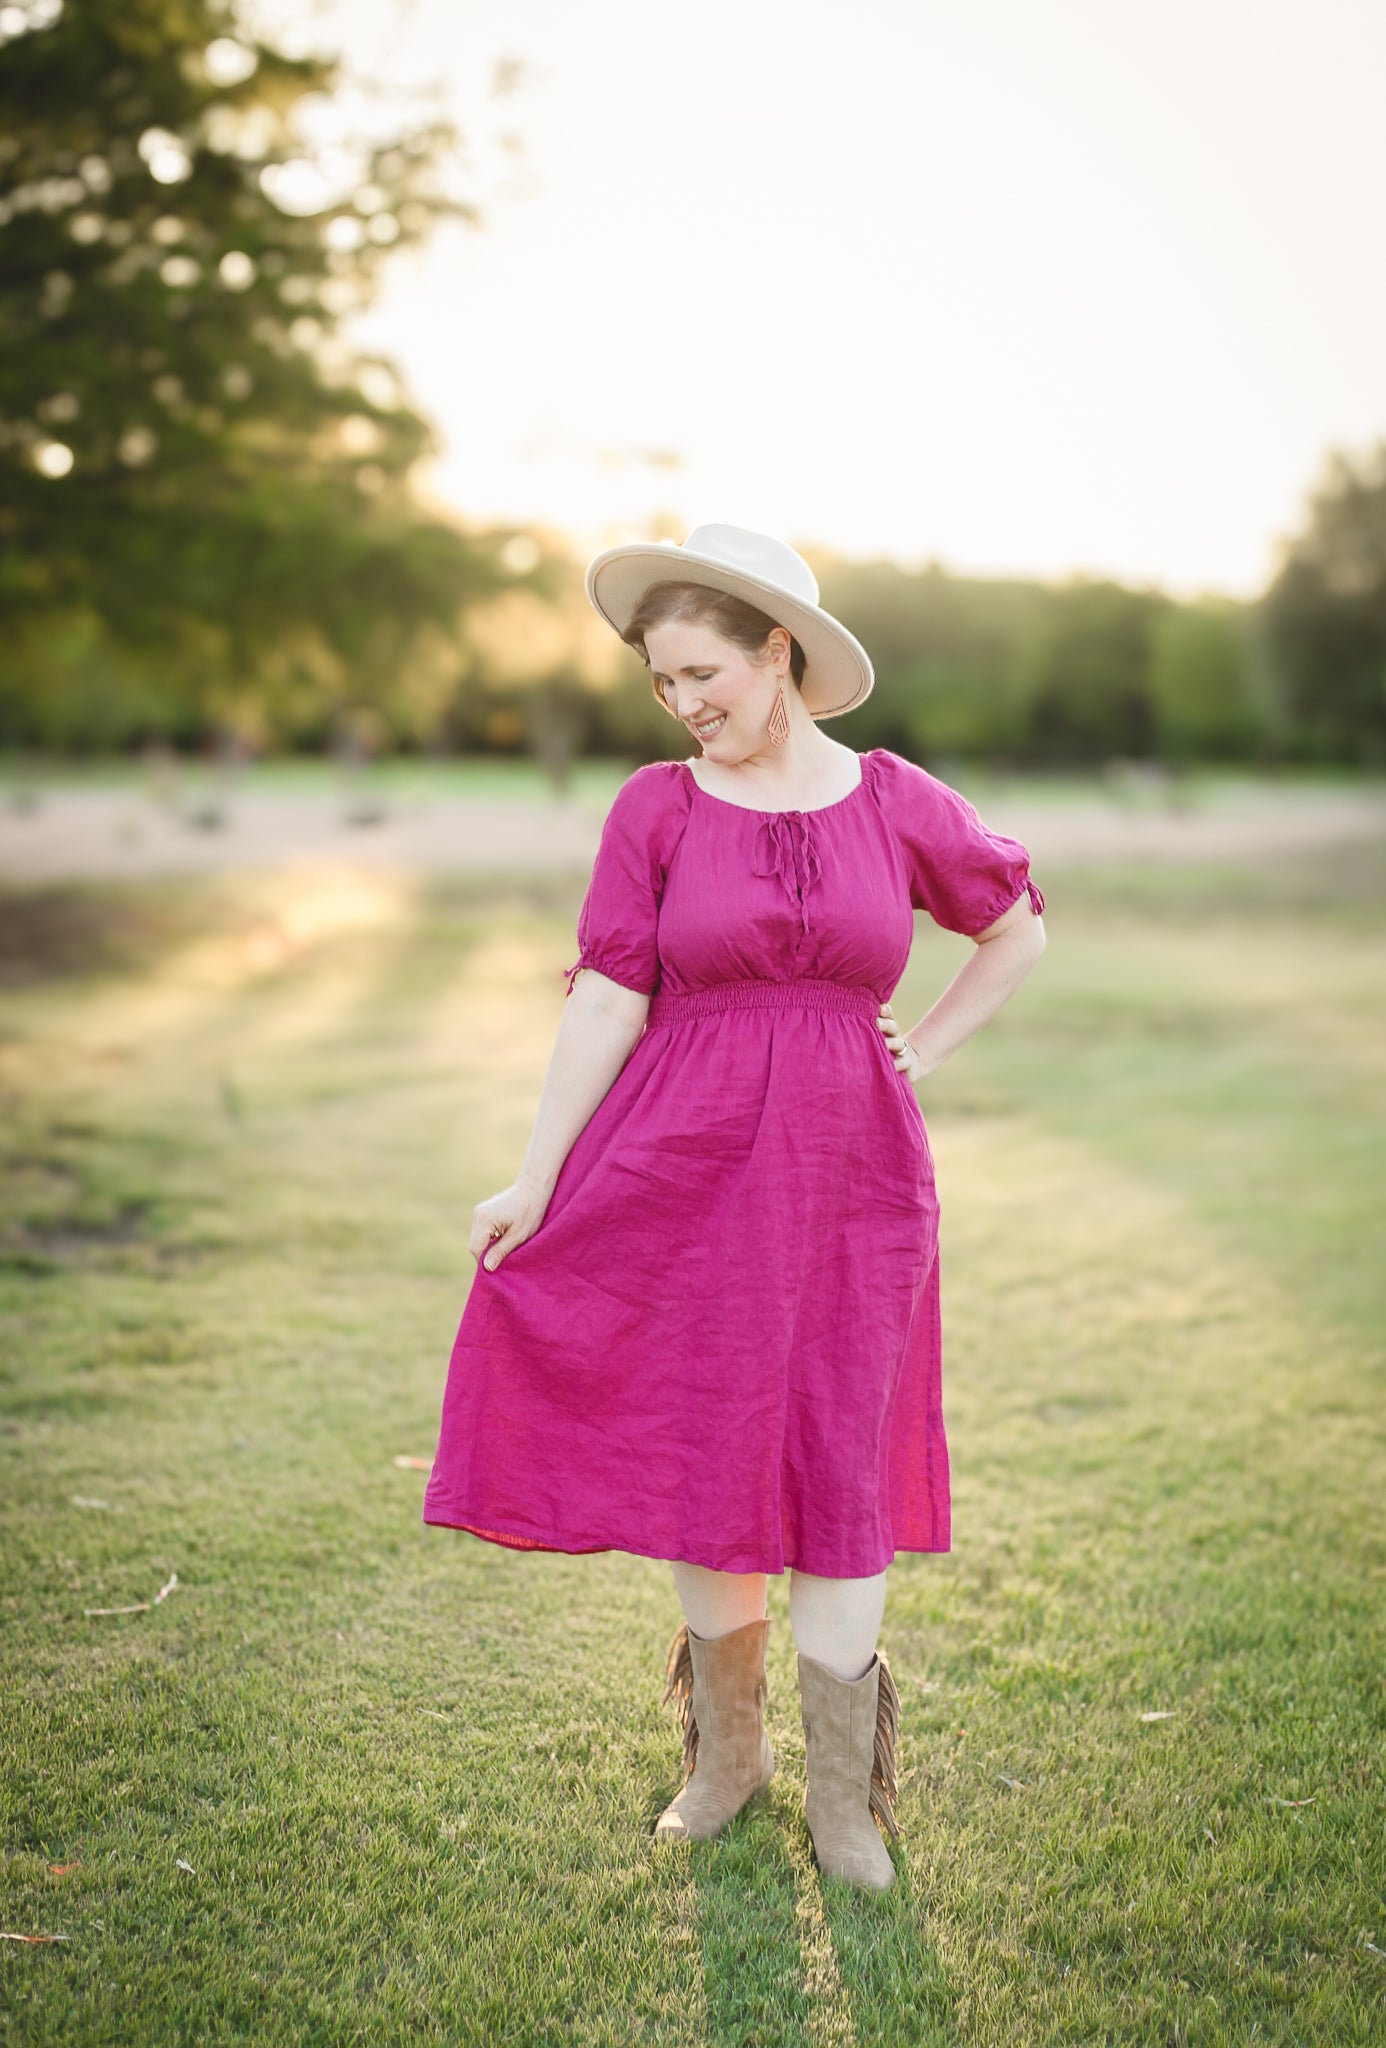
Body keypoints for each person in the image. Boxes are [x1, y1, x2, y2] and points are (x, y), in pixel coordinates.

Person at [424, 523, 1047, 1891]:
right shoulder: (655, 808)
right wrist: (535, 1175)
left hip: (853, 1180)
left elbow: (1012, 926)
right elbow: (607, 991)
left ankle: (842, 1802)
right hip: (678, 1165)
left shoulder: (893, 801)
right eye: (662, 683)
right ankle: (725, 1761)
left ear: (780, 654)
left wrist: (923, 1049)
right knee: (707, 1448)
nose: (683, 702)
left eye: (702, 670)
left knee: (838, 1450)